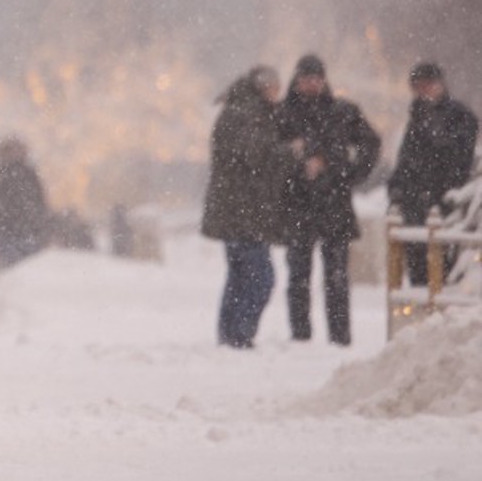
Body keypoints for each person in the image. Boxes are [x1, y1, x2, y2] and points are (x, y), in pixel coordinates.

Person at [274, 54, 381, 346]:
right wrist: (297, 165)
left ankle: (339, 336)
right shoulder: (282, 114)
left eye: (317, 78)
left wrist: (348, 173)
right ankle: (301, 336)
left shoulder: (342, 112)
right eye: (306, 78)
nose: (312, 84)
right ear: (297, 80)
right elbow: (270, 156)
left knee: (336, 276)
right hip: (298, 203)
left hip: (334, 203)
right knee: (299, 276)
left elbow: (370, 143)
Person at [204, 66, 289, 349]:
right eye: (275, 87)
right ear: (264, 88)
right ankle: (240, 335)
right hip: (243, 211)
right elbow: (254, 156)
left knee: (240, 276)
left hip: (238, 211)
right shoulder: (247, 114)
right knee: (260, 278)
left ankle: (231, 335)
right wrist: (289, 151)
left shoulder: (240, 110)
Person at [387, 61, 479, 286]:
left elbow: (458, 159)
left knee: (444, 271)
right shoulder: (417, 118)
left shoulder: (459, 116)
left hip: (445, 204)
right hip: (416, 205)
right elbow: (406, 160)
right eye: (419, 87)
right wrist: (397, 189)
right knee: (418, 271)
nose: (423, 92)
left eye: (427, 85)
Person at [0, 137, 50, 269]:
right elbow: (39, 200)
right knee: (27, 264)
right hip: (19, 226)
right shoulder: (27, 173)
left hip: (13, 226)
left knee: (17, 264)